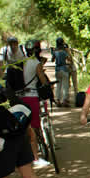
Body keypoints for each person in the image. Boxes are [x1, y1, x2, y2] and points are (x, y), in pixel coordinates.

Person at [19, 40, 52, 168]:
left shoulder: (20, 62)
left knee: (24, 126)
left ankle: (25, 153)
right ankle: (36, 156)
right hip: (32, 96)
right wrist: (46, 85)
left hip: (20, 97)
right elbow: (42, 79)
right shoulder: (36, 63)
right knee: (34, 126)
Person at [52, 39, 72, 107]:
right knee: (65, 86)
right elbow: (69, 59)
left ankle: (57, 100)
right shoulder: (64, 52)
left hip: (57, 69)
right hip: (64, 69)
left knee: (58, 86)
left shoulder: (55, 51)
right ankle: (65, 100)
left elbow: (52, 60)